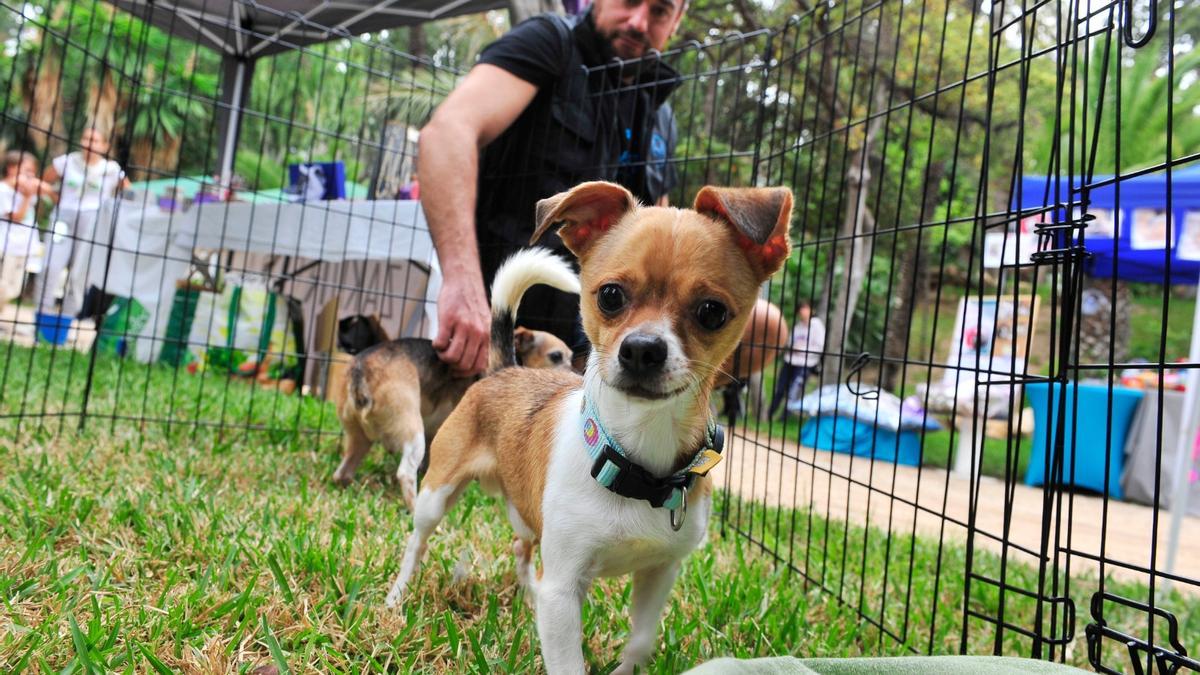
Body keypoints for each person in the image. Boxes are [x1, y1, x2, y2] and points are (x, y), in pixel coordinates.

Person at [418, 0, 685, 375]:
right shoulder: (550, 43)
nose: (638, 22)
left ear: (677, 20)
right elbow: (446, 134)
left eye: (659, 10)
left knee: (762, 324)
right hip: (505, 320)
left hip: (599, 337)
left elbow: (660, 229)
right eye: (629, 1)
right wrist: (462, 284)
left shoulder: (660, 115)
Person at [38, 127, 129, 318]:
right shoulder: (67, 161)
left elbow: (130, 193)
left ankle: (67, 318)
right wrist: (56, 198)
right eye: (86, 138)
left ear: (105, 146)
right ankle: (42, 314)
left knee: (80, 272)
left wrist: (112, 211)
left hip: (92, 222)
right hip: (63, 219)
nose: (89, 144)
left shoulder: (111, 170)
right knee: (51, 265)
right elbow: (43, 183)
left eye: (95, 140)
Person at [0, 151, 52, 316]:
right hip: (6, 246)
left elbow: (47, 191)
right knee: (3, 285)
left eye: (32, 172)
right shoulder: (3, 190)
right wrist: (27, 197)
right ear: (11, 169)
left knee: (14, 288)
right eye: (26, 171)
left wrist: (37, 189)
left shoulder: (26, 190)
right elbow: (17, 217)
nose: (30, 176)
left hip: (23, 247)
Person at [769, 299, 825, 419]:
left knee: (793, 391)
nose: (803, 311)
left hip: (805, 364)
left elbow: (819, 347)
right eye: (801, 309)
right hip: (790, 361)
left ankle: (783, 419)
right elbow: (790, 342)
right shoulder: (798, 326)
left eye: (805, 308)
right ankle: (769, 414)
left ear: (811, 310)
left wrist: (802, 349)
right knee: (780, 388)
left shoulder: (817, 326)